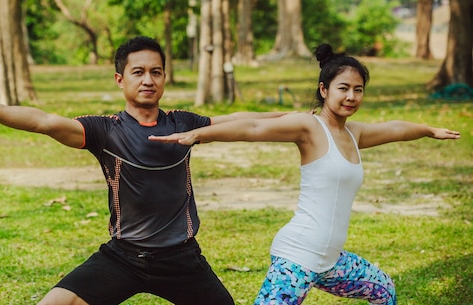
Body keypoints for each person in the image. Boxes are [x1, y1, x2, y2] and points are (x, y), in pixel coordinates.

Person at [0, 36, 289, 305]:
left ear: (164, 78)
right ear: (120, 79)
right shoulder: (105, 130)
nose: (148, 80)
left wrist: (304, 119)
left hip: (181, 257)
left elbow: (244, 122)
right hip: (124, 256)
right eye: (138, 72)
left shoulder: (185, 123)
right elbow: (42, 121)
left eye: (156, 72)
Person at [149, 43, 461, 305]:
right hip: (297, 259)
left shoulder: (355, 133)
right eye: (343, 88)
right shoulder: (310, 127)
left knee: (384, 291)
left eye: (358, 90)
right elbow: (254, 127)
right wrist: (198, 135)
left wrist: (429, 130)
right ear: (324, 90)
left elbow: (395, 128)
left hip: (332, 261)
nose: (351, 96)